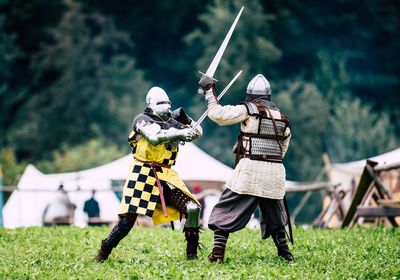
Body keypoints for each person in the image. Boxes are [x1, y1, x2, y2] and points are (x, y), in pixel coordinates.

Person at [95, 86, 203, 262]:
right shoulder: (141, 119)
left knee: (192, 209)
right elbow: (153, 137)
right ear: (152, 104)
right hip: (142, 173)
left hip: (166, 175)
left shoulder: (172, 122)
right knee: (126, 222)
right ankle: (103, 253)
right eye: (161, 102)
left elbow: (198, 133)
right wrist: (179, 133)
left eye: (167, 102)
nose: (166, 106)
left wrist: (189, 122)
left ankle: (192, 255)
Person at [198, 73, 294, 263]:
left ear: (250, 95)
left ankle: (217, 253)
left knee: (226, 208)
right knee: (275, 213)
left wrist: (209, 92)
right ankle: (286, 254)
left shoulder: (250, 110)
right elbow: (282, 149)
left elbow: (219, 115)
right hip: (275, 172)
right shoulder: (282, 118)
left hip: (250, 170)